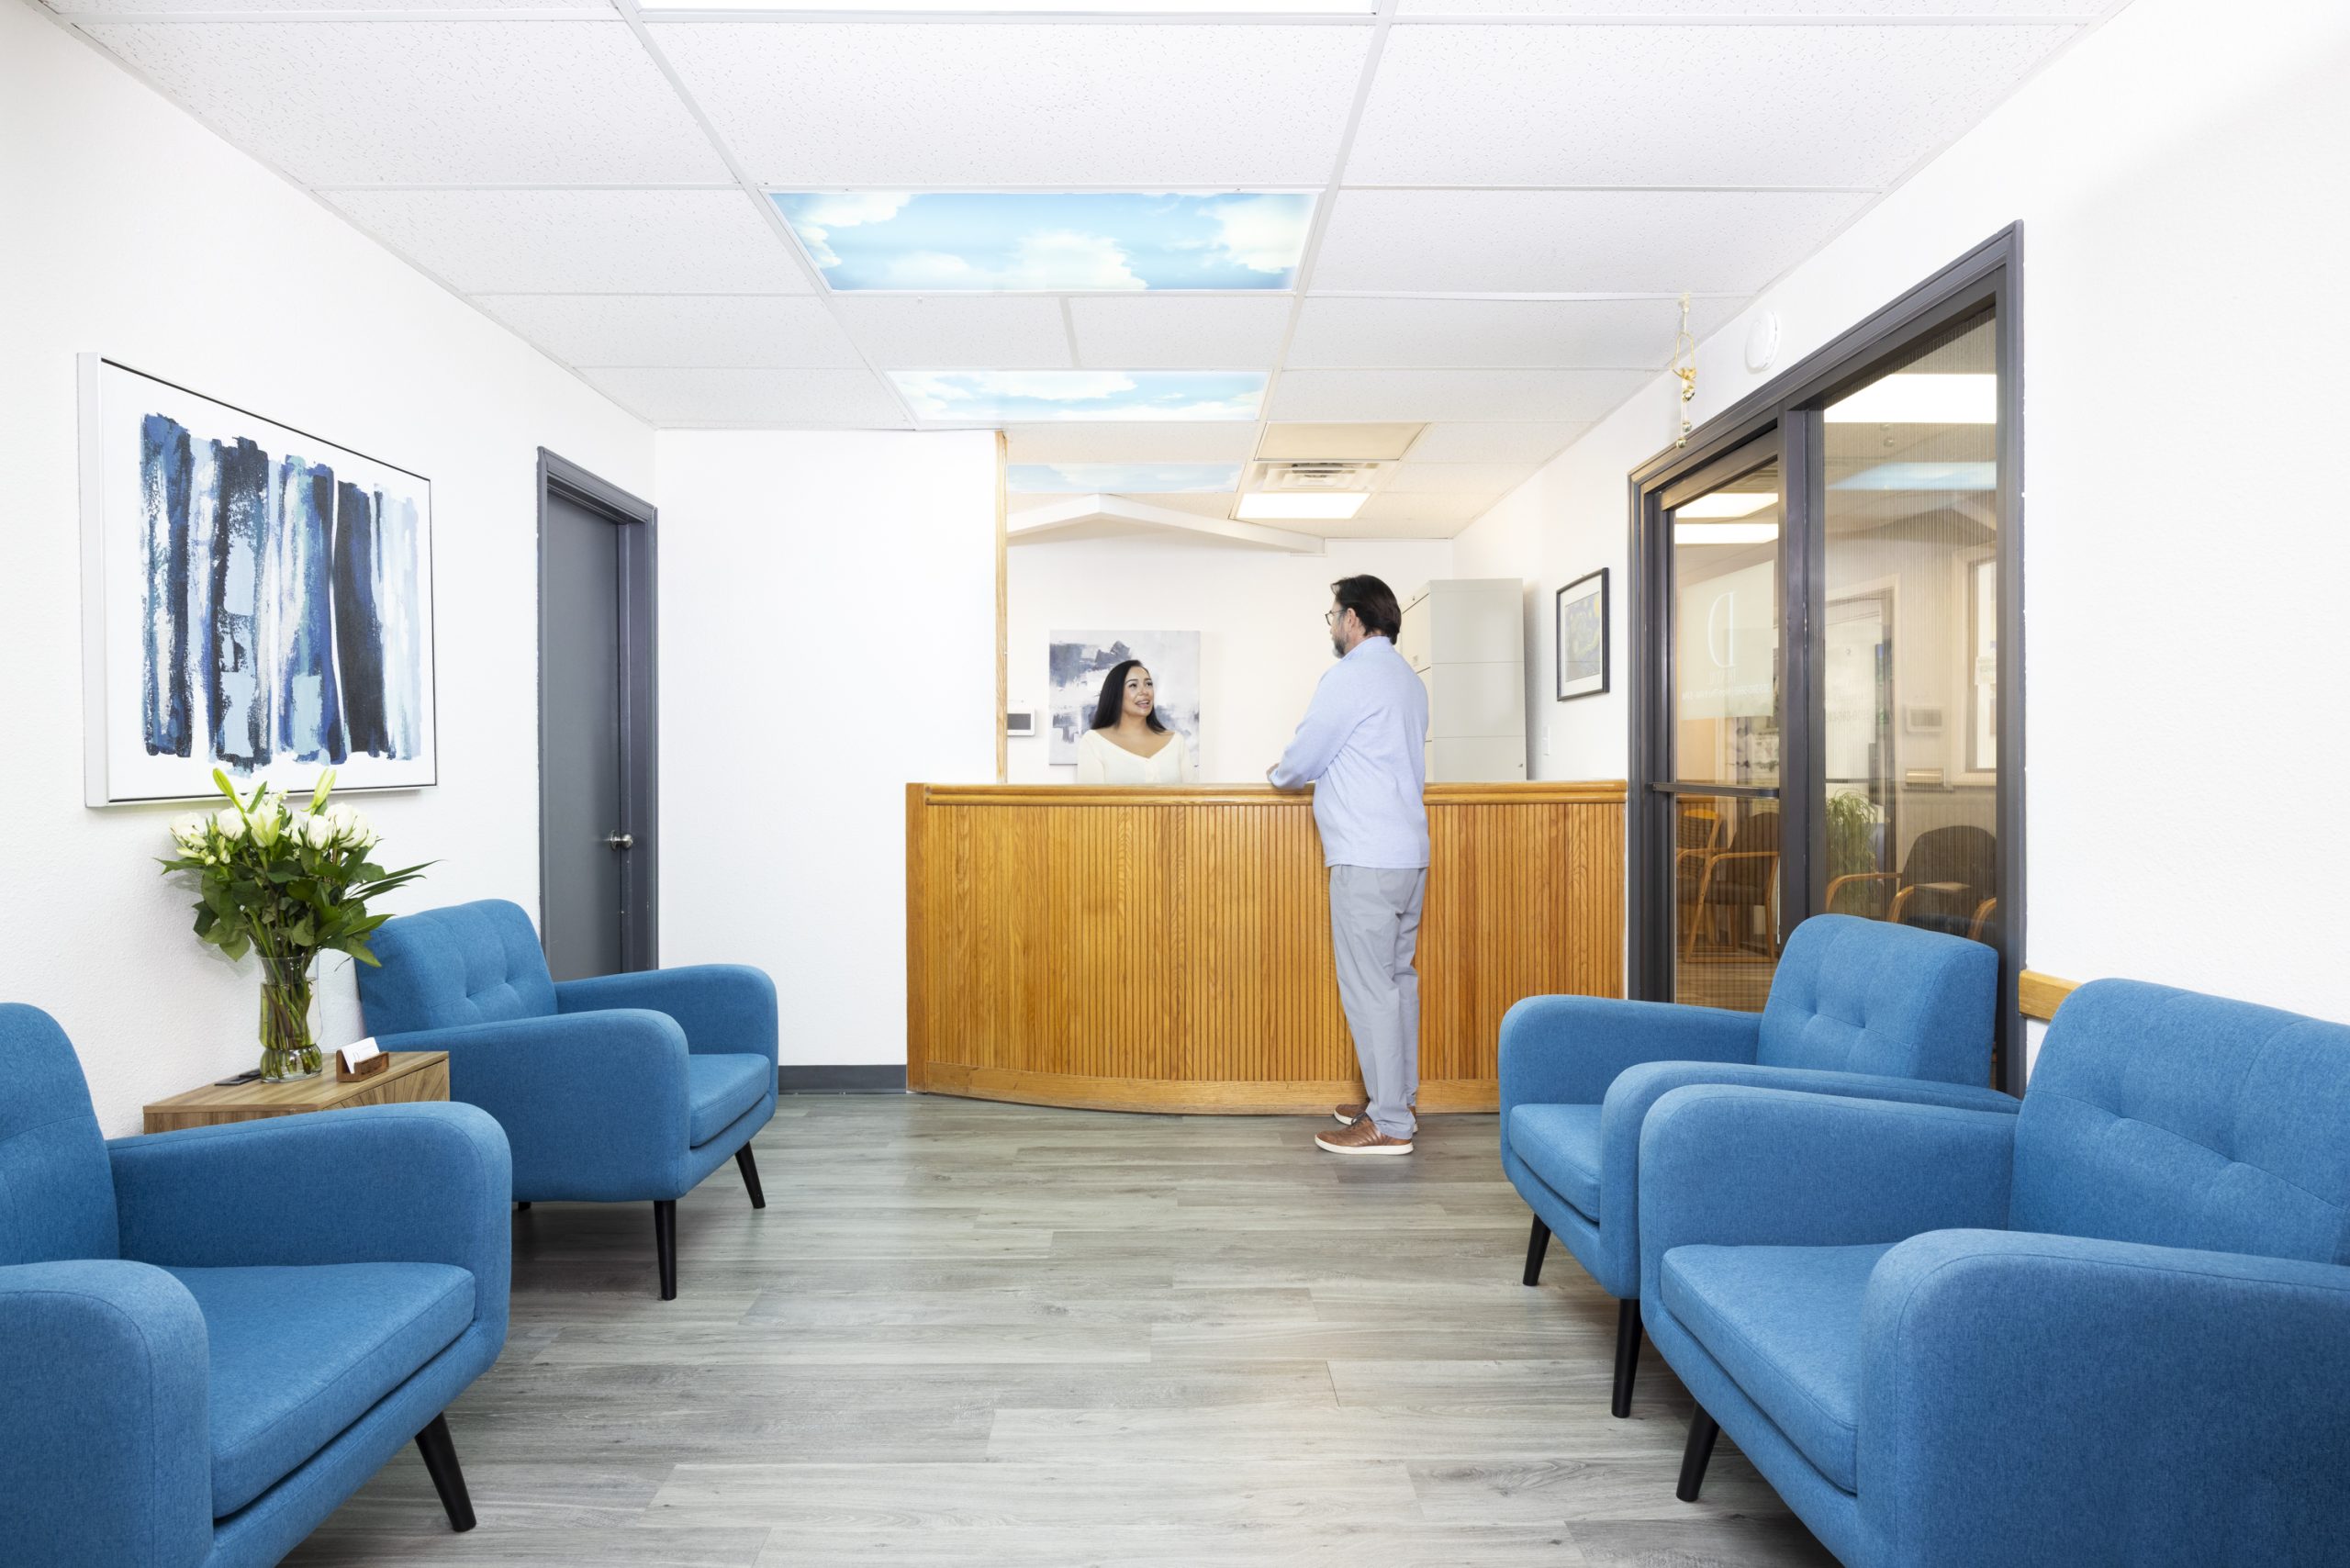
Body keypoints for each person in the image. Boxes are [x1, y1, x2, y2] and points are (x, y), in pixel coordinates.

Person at [1268, 576, 1429, 1156]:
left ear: (1355, 619)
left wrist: (1278, 775)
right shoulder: (1409, 681)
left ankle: (1388, 1122)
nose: (1333, 626)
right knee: (1397, 982)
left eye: (1334, 615)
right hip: (1409, 854)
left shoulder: (1350, 676)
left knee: (1370, 991)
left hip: (1366, 856)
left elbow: (1302, 759)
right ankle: (1399, 1101)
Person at [1075, 658, 1194, 785]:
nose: (1144, 691)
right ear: (1116, 694)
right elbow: (1092, 802)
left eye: (1148, 684)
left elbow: (1193, 800)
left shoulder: (1176, 742)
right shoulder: (1093, 742)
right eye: (1133, 685)